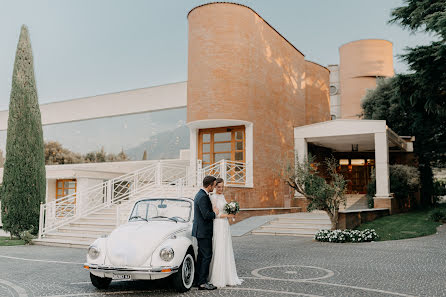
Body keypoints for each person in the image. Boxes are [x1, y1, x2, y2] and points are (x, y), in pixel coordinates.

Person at [208, 178, 243, 287]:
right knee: (219, 248)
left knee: (226, 248)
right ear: (215, 187)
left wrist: (232, 211)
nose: (221, 189)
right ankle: (218, 277)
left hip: (225, 225)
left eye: (222, 187)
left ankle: (228, 275)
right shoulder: (213, 197)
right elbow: (216, 214)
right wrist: (228, 215)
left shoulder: (222, 196)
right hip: (218, 225)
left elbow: (224, 210)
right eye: (219, 187)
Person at [191, 175, 218, 290]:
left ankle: (198, 280)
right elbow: (206, 215)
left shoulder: (201, 194)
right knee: (207, 256)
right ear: (209, 185)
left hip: (201, 231)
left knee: (202, 256)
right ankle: (202, 282)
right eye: (214, 185)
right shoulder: (202, 196)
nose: (215, 187)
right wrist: (215, 213)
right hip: (203, 232)